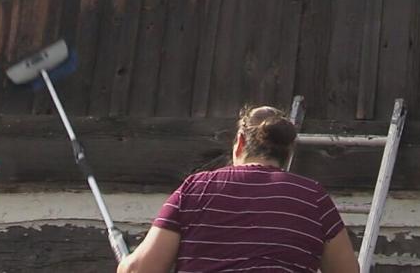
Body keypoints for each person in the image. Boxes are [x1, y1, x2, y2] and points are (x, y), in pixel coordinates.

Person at [117, 105, 359, 272]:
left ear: (240, 142)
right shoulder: (313, 198)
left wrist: (125, 263)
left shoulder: (196, 188)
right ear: (288, 152)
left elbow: (139, 270)